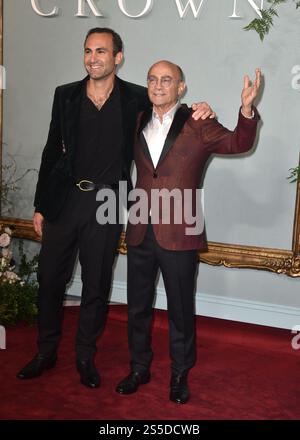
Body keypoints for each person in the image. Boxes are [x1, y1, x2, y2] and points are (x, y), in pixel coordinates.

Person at [17, 29, 214, 388]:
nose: (93, 58)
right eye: (88, 51)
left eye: (101, 51)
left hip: (106, 203)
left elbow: (171, 110)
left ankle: (84, 357)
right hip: (64, 201)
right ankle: (45, 352)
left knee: (97, 284)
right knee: (49, 281)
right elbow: (51, 150)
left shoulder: (136, 98)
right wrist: (41, 205)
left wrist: (200, 108)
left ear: (117, 58)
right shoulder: (65, 95)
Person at [116, 60, 261, 403]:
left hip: (180, 231)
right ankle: (139, 367)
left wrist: (246, 109)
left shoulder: (198, 121)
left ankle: (180, 373)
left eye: (167, 80)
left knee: (180, 308)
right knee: (137, 305)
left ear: (181, 87)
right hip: (139, 230)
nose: (158, 85)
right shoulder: (137, 119)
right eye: (152, 79)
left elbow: (238, 143)